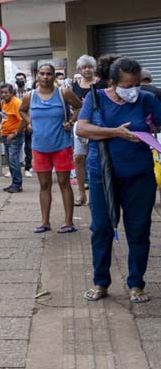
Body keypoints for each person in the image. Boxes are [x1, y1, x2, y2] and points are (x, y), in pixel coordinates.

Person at [77, 56, 161, 304]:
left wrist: (151, 129)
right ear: (113, 83)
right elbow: (82, 129)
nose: (132, 90)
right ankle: (100, 281)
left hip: (139, 175)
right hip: (103, 174)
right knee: (100, 228)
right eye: (127, 85)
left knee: (138, 230)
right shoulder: (96, 98)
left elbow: (157, 123)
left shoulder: (146, 99)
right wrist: (115, 133)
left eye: (136, 84)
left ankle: (136, 283)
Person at [20, 63, 84, 234]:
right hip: (39, 147)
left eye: (49, 74)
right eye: (42, 74)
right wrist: (29, 122)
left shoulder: (64, 93)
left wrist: (70, 122)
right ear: (37, 76)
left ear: (54, 76)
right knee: (44, 185)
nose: (45, 77)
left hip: (61, 145)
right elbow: (22, 111)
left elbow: (80, 106)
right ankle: (45, 222)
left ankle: (69, 222)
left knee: (64, 183)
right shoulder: (30, 96)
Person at [70, 55, 100, 206]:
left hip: (98, 126)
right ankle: (81, 193)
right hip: (80, 125)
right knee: (78, 158)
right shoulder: (75, 85)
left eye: (89, 66)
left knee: (97, 159)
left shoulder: (101, 83)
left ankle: (97, 193)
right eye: (84, 67)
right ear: (79, 70)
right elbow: (72, 105)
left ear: (94, 68)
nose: (87, 70)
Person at [0, 83, 25, 193]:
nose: (4, 95)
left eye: (6, 93)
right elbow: (5, 119)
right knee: (10, 161)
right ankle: (14, 183)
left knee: (14, 160)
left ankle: (17, 184)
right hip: (6, 135)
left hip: (15, 136)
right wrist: (2, 133)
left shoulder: (17, 103)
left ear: (12, 93)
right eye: (2, 93)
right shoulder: (3, 103)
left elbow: (24, 120)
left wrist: (14, 134)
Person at [14, 72, 35, 178]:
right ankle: (14, 168)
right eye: (18, 79)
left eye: (22, 79)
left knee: (28, 146)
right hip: (16, 123)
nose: (20, 81)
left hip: (27, 121)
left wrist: (29, 121)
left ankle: (27, 168)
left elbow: (31, 107)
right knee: (15, 146)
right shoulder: (13, 93)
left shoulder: (30, 92)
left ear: (25, 80)